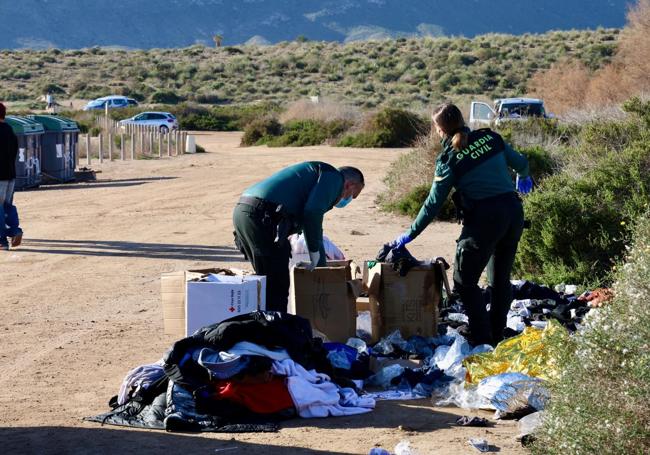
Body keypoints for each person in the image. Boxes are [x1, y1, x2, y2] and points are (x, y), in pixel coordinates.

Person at [390, 103, 532, 346]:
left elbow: (433, 204)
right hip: (513, 212)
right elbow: (521, 163)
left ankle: (481, 338)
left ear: (440, 130)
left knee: (464, 283)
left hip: (485, 221)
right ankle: (497, 334)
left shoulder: (449, 159)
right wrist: (524, 175)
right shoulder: (491, 139)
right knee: (500, 280)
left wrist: (410, 234)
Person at [233, 161, 365, 312]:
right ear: (348, 185)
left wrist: (319, 260)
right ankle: (276, 330)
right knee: (278, 283)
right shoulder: (334, 178)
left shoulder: (317, 177)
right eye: (353, 195)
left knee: (268, 279)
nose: (349, 200)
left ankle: (265, 324)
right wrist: (315, 254)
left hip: (244, 211)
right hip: (261, 216)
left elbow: (311, 223)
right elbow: (313, 213)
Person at [0, 102, 23, 250]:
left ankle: (2, 240)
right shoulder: (9, 130)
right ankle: (14, 230)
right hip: (10, 175)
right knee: (7, 206)